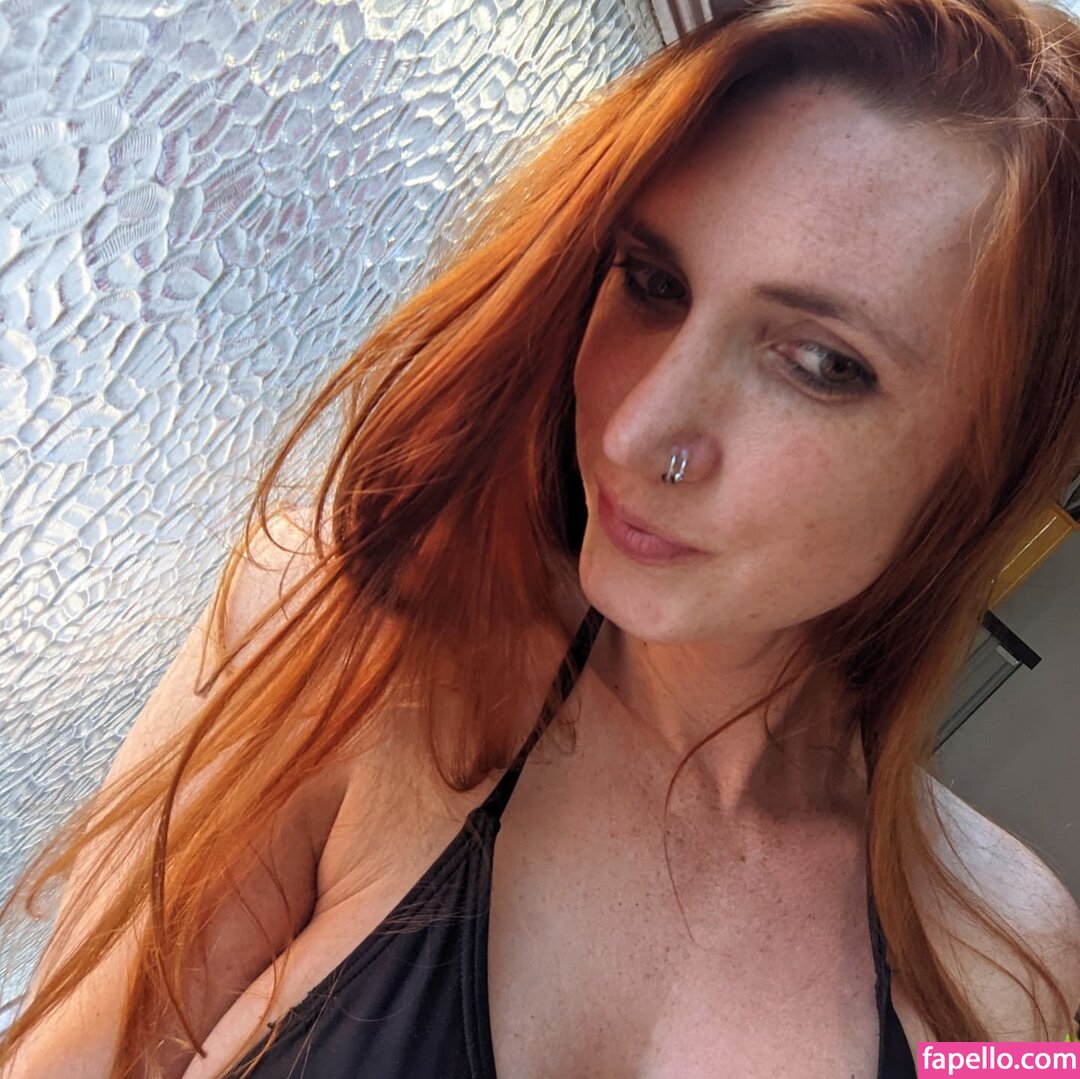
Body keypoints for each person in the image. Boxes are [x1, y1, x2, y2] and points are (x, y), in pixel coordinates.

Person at [4, 0, 1080, 1075]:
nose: (636, 430)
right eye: (652, 283)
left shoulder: (1018, 971)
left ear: (992, 462)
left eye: (821, 363)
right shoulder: (355, 644)